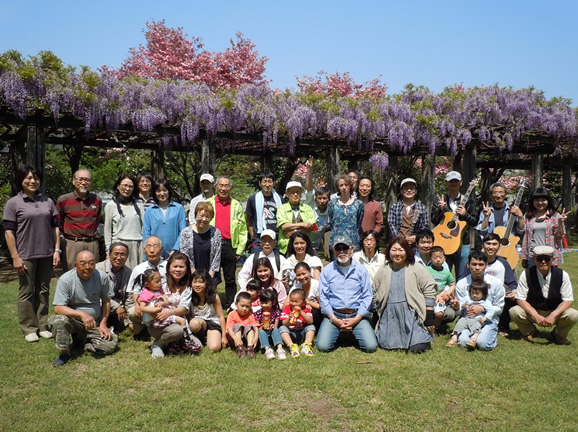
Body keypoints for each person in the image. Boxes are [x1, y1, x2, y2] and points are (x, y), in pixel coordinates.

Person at [3, 165, 60, 343]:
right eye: (28, 178)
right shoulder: (13, 203)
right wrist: (15, 256)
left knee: (43, 290)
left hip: (46, 253)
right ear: (21, 180)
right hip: (25, 254)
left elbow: (55, 228)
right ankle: (29, 327)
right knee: (27, 291)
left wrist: (57, 250)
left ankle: (42, 325)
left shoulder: (48, 202)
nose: (32, 181)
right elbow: (8, 232)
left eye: (35, 178)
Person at [47, 250, 118, 366]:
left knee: (110, 344)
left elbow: (106, 302)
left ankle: (84, 342)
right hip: (73, 320)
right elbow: (58, 308)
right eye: (83, 263)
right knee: (58, 320)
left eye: (91, 263)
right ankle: (65, 352)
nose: (87, 267)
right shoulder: (65, 280)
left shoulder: (102, 277)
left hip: (94, 323)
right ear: (75, 265)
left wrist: (103, 324)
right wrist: (81, 314)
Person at [373, 237, 437, 353]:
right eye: (394, 250)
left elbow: (429, 288)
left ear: (407, 251)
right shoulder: (384, 269)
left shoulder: (416, 267)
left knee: (417, 348)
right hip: (390, 314)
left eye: (401, 250)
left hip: (411, 314)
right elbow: (374, 290)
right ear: (389, 251)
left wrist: (429, 315)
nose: (397, 253)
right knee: (387, 345)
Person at [317, 235, 378, 353]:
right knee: (323, 347)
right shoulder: (327, 271)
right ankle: (342, 333)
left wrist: (356, 319)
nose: (341, 252)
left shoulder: (361, 270)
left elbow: (367, 296)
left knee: (371, 347)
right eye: (338, 249)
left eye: (345, 248)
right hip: (334, 315)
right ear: (333, 251)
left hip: (356, 315)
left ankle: (350, 333)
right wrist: (334, 319)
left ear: (352, 249)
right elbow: (324, 298)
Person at [510, 245, 578, 345]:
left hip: (555, 311)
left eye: (547, 259)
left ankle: (558, 334)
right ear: (534, 259)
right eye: (539, 259)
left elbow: (568, 299)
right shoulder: (526, 274)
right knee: (514, 311)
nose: (543, 262)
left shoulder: (562, 275)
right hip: (534, 310)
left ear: (553, 259)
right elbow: (520, 298)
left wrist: (553, 315)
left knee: (573, 314)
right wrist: (535, 315)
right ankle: (530, 331)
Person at [463, 233, 518, 336]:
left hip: (496, 296)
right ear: (483, 245)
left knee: (510, 299)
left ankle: (503, 327)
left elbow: (512, 282)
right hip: (476, 295)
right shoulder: (474, 261)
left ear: (499, 246)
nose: (491, 247)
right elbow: (464, 280)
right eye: (488, 244)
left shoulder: (503, 263)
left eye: (494, 244)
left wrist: (514, 291)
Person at [206, 176, 248, 309]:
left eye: (226, 186)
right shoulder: (208, 203)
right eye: (221, 185)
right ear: (216, 186)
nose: (223, 188)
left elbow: (242, 228)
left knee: (230, 278)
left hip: (230, 245)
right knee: (211, 276)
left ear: (230, 188)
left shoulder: (236, 205)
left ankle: (231, 304)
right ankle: (210, 302)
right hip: (212, 244)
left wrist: (240, 249)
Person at [148, 252, 197, 358]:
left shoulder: (188, 287)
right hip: (158, 321)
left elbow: (184, 308)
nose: (178, 270)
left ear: (186, 268)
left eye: (181, 267)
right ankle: (158, 343)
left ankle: (173, 343)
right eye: (175, 266)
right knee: (177, 331)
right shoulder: (161, 282)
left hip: (178, 320)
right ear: (169, 267)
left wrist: (169, 312)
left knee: (198, 348)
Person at [453, 250, 505, 350]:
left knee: (483, 344)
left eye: (481, 264)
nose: (477, 268)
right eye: (474, 264)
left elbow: (499, 308)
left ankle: (490, 335)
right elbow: (459, 312)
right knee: (463, 342)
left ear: (486, 266)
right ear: (468, 265)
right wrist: (457, 308)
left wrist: (483, 309)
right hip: (468, 320)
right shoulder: (461, 284)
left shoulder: (496, 283)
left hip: (488, 320)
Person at [431, 171, 478, 278]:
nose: (453, 184)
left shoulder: (469, 201)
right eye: (450, 181)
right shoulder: (439, 200)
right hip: (443, 240)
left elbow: (474, 221)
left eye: (456, 181)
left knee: (462, 276)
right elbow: (434, 220)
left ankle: (459, 294)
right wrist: (440, 210)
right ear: (446, 183)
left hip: (463, 242)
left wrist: (465, 214)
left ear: (461, 183)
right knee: (442, 274)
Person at [56, 169, 102, 270]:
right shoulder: (63, 200)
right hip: (72, 243)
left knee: (92, 273)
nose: (84, 182)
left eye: (87, 180)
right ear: (73, 181)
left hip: (92, 243)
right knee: (71, 274)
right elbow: (59, 223)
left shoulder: (97, 200)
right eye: (80, 179)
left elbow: (97, 220)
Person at [126, 236, 167, 337]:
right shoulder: (138, 269)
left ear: (161, 249)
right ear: (144, 250)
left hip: (164, 303)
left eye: (155, 246)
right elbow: (134, 291)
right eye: (148, 246)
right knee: (132, 312)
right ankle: (145, 329)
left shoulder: (168, 267)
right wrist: (137, 304)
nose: (152, 250)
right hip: (146, 304)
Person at [521, 187, 569, 269]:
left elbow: (560, 235)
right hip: (533, 255)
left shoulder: (555, 216)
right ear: (532, 201)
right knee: (533, 280)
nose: (540, 203)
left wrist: (560, 223)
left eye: (543, 200)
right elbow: (526, 237)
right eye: (537, 200)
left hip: (549, 255)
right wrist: (524, 257)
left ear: (548, 201)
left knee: (551, 280)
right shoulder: (528, 216)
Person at [104, 173, 144, 269]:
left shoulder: (139, 204)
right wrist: (108, 251)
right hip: (118, 245)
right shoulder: (111, 205)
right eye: (125, 185)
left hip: (137, 245)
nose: (127, 189)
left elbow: (144, 227)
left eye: (130, 186)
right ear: (118, 186)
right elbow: (107, 230)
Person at [142, 179, 186, 259]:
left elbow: (182, 232)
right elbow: (146, 233)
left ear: (169, 191)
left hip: (174, 253)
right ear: (154, 193)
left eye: (164, 190)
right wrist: (150, 252)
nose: (162, 194)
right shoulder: (150, 210)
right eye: (158, 191)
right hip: (154, 254)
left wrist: (175, 249)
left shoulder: (178, 208)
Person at [96, 242, 133, 331]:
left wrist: (130, 321)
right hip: (100, 305)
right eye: (116, 254)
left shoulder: (129, 273)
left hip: (119, 307)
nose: (119, 258)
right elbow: (96, 295)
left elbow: (129, 298)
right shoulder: (98, 269)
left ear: (127, 256)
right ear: (109, 255)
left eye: (122, 254)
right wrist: (116, 306)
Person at [179, 201, 222, 280]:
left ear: (211, 218)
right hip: (190, 273)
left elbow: (217, 255)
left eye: (207, 216)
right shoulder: (185, 232)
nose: (204, 219)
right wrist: (194, 273)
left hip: (210, 273)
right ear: (195, 215)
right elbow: (184, 254)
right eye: (201, 215)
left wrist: (210, 275)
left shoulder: (216, 232)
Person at [446, 280, 493, 349]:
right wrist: (462, 306)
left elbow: (491, 310)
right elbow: (460, 305)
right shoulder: (468, 298)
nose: (474, 295)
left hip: (477, 319)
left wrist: (485, 317)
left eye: (477, 293)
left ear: (483, 294)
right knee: (459, 323)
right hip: (466, 318)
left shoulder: (485, 302)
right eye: (472, 292)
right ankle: (454, 337)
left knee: (476, 327)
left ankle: (474, 338)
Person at [189, 269, 228, 352]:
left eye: (201, 282)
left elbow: (221, 317)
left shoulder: (214, 297)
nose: (197, 285)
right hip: (199, 322)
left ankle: (208, 338)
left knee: (214, 348)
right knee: (193, 324)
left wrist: (224, 336)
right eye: (194, 282)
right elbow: (188, 315)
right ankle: (202, 337)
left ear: (207, 283)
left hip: (213, 323)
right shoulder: (190, 297)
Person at [245, 171, 283, 253]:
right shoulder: (253, 199)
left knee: (275, 263)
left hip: (275, 237)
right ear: (260, 183)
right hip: (259, 237)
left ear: (274, 183)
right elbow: (249, 218)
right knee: (256, 262)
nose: (267, 184)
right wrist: (252, 235)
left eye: (270, 181)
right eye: (264, 181)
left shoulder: (279, 199)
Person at [277, 180, 316, 255]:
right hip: (286, 247)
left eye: (298, 192)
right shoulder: (282, 208)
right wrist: (303, 225)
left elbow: (313, 226)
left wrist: (293, 232)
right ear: (287, 194)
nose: (295, 194)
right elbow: (284, 226)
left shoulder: (307, 208)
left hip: (305, 247)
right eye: (292, 192)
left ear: (301, 194)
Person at [327, 175, 365, 252]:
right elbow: (332, 222)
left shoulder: (358, 204)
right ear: (338, 187)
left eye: (346, 185)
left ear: (350, 186)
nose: (344, 187)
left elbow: (358, 222)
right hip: (336, 243)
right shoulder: (332, 204)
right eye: (341, 185)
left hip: (353, 242)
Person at [388, 178, 429, 247]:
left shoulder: (421, 208)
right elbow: (392, 225)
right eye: (406, 188)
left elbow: (425, 227)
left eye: (412, 188)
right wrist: (400, 240)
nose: (409, 190)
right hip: (397, 244)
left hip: (415, 245)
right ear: (401, 191)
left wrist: (416, 237)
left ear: (416, 191)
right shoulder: (394, 207)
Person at [305, 156, 331, 256]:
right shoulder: (311, 205)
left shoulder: (331, 210)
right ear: (315, 199)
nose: (322, 201)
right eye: (319, 198)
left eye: (325, 198)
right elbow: (309, 188)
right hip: (304, 244)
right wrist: (309, 170)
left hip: (315, 246)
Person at [426, 246, 456, 329]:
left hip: (440, 299)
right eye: (435, 258)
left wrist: (447, 293)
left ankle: (435, 328)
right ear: (430, 258)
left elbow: (452, 285)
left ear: (444, 258)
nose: (438, 260)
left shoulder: (446, 272)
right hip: (428, 296)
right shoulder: (427, 269)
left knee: (439, 314)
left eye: (440, 257)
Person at [280, 288, 316, 357]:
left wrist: (301, 312)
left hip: (302, 333)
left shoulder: (305, 309)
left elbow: (310, 321)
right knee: (282, 328)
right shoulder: (287, 308)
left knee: (311, 327)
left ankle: (306, 345)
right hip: (291, 334)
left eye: (296, 302)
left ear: (303, 302)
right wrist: (289, 319)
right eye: (291, 301)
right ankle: (291, 346)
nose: (293, 304)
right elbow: (284, 323)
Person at [254, 289, 285, 360]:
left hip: (272, 333)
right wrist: (261, 327)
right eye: (262, 303)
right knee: (261, 331)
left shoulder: (276, 312)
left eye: (266, 303)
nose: (264, 305)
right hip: (263, 333)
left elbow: (276, 325)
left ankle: (280, 348)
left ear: (273, 303)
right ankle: (267, 349)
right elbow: (257, 326)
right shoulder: (258, 313)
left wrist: (273, 326)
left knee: (276, 329)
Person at [226, 291, 258, 358]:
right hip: (234, 339)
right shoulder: (232, 314)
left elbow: (255, 327)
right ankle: (239, 348)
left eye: (247, 306)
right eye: (242, 306)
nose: (244, 309)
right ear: (236, 304)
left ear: (250, 306)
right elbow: (229, 328)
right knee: (238, 325)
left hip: (246, 339)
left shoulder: (250, 315)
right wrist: (235, 338)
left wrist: (256, 337)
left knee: (250, 327)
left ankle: (250, 348)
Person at [292, 262, 322, 329]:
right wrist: (303, 305)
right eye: (298, 275)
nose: (302, 277)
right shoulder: (296, 287)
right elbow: (286, 304)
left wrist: (308, 303)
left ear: (310, 272)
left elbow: (321, 306)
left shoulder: (317, 284)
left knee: (314, 311)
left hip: (316, 315)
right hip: (301, 313)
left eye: (304, 273)